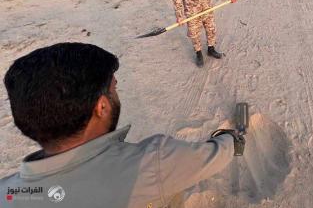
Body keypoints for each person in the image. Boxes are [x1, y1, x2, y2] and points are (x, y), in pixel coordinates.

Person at [0, 43, 244, 208]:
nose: (117, 93)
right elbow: (216, 155)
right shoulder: (153, 161)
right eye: (114, 88)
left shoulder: (7, 192)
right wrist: (231, 138)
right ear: (102, 107)